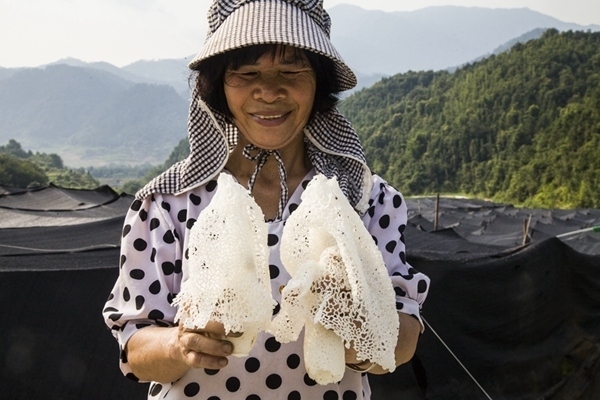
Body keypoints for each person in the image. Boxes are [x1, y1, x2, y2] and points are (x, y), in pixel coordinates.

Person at [102, 0, 430, 398]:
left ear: (319, 83)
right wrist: (179, 345)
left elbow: (403, 337)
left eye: (291, 72)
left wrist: (357, 333)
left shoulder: (363, 201)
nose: (268, 92)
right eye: (246, 73)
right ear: (219, 85)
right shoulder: (168, 205)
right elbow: (135, 346)